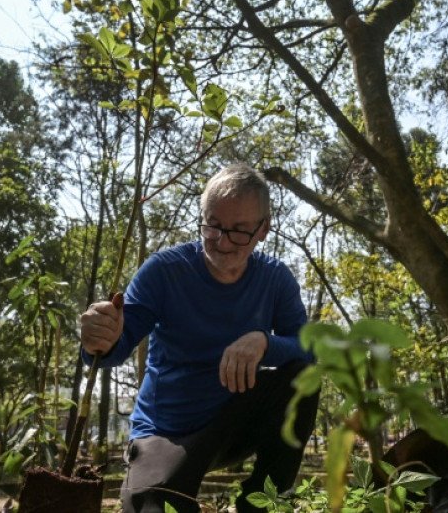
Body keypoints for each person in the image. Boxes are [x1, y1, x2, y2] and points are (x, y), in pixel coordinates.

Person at [80, 163, 319, 513]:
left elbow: (308, 350)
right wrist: (99, 339)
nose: (222, 242)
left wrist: (265, 342)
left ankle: (261, 505)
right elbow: (115, 347)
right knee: (151, 507)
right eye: (213, 226)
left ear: (264, 229)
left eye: (239, 231)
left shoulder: (275, 279)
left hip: (234, 421)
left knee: (303, 378)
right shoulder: (164, 271)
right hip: (167, 430)